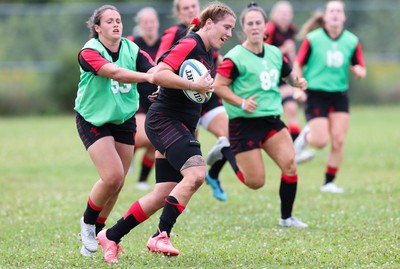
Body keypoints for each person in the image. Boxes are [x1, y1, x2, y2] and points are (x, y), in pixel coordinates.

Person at [96, 2, 237, 263]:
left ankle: (111, 236)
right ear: (209, 23)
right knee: (195, 175)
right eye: (226, 27)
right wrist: (191, 84)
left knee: (163, 193)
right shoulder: (190, 43)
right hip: (165, 121)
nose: (229, 33)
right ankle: (161, 235)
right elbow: (159, 72)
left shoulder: (206, 52)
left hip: (180, 122)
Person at [214, 3, 308, 228]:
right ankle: (225, 150)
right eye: (250, 23)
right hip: (243, 124)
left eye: (258, 23)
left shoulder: (275, 53)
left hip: (271, 120)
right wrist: (242, 102)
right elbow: (218, 86)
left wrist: (298, 82)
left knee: (290, 165)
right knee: (255, 182)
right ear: (243, 29)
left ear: (266, 26)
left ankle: (286, 218)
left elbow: (287, 75)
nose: (255, 27)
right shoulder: (235, 57)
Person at [75, 5, 155, 257]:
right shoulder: (89, 51)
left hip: (123, 118)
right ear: (97, 28)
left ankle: (99, 231)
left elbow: (152, 68)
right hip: (93, 119)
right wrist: (150, 79)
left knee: (118, 181)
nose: (116, 24)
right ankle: (87, 224)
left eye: (118, 20)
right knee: (111, 176)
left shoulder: (131, 48)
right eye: (109, 21)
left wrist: (160, 79)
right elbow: (115, 73)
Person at [156, 0, 244, 202]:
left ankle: (213, 175)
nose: (190, 10)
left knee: (230, 134)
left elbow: (218, 63)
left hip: (206, 95)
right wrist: (162, 85)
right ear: (179, 13)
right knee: (186, 150)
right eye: (185, 7)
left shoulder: (211, 38)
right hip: (183, 97)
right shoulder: (176, 34)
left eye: (193, 6)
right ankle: (178, 193)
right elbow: (160, 63)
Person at [293, 0, 366, 193]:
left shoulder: (351, 40)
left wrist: (359, 71)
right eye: (331, 11)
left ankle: (328, 183)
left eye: (339, 11)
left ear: (344, 16)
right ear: (325, 16)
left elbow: (360, 66)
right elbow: (298, 63)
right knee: (319, 141)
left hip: (339, 95)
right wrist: (299, 86)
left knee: (339, 140)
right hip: (316, 94)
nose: (335, 14)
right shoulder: (314, 39)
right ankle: (303, 139)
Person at [264, 1, 315, 164]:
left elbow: (290, 57)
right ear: (274, 14)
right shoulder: (270, 28)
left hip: (282, 79)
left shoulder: (291, 29)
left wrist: (294, 71)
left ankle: (295, 150)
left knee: (292, 109)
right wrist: (284, 50)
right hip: (266, 79)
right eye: (282, 13)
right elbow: (262, 52)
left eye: (288, 13)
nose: (285, 16)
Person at [126, 7, 161, 191]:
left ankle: (141, 180)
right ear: (139, 25)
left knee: (155, 141)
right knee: (144, 137)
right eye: (145, 22)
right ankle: (127, 152)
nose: (149, 25)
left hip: (158, 99)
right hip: (137, 99)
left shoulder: (165, 43)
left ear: (157, 23)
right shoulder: (132, 43)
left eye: (152, 21)